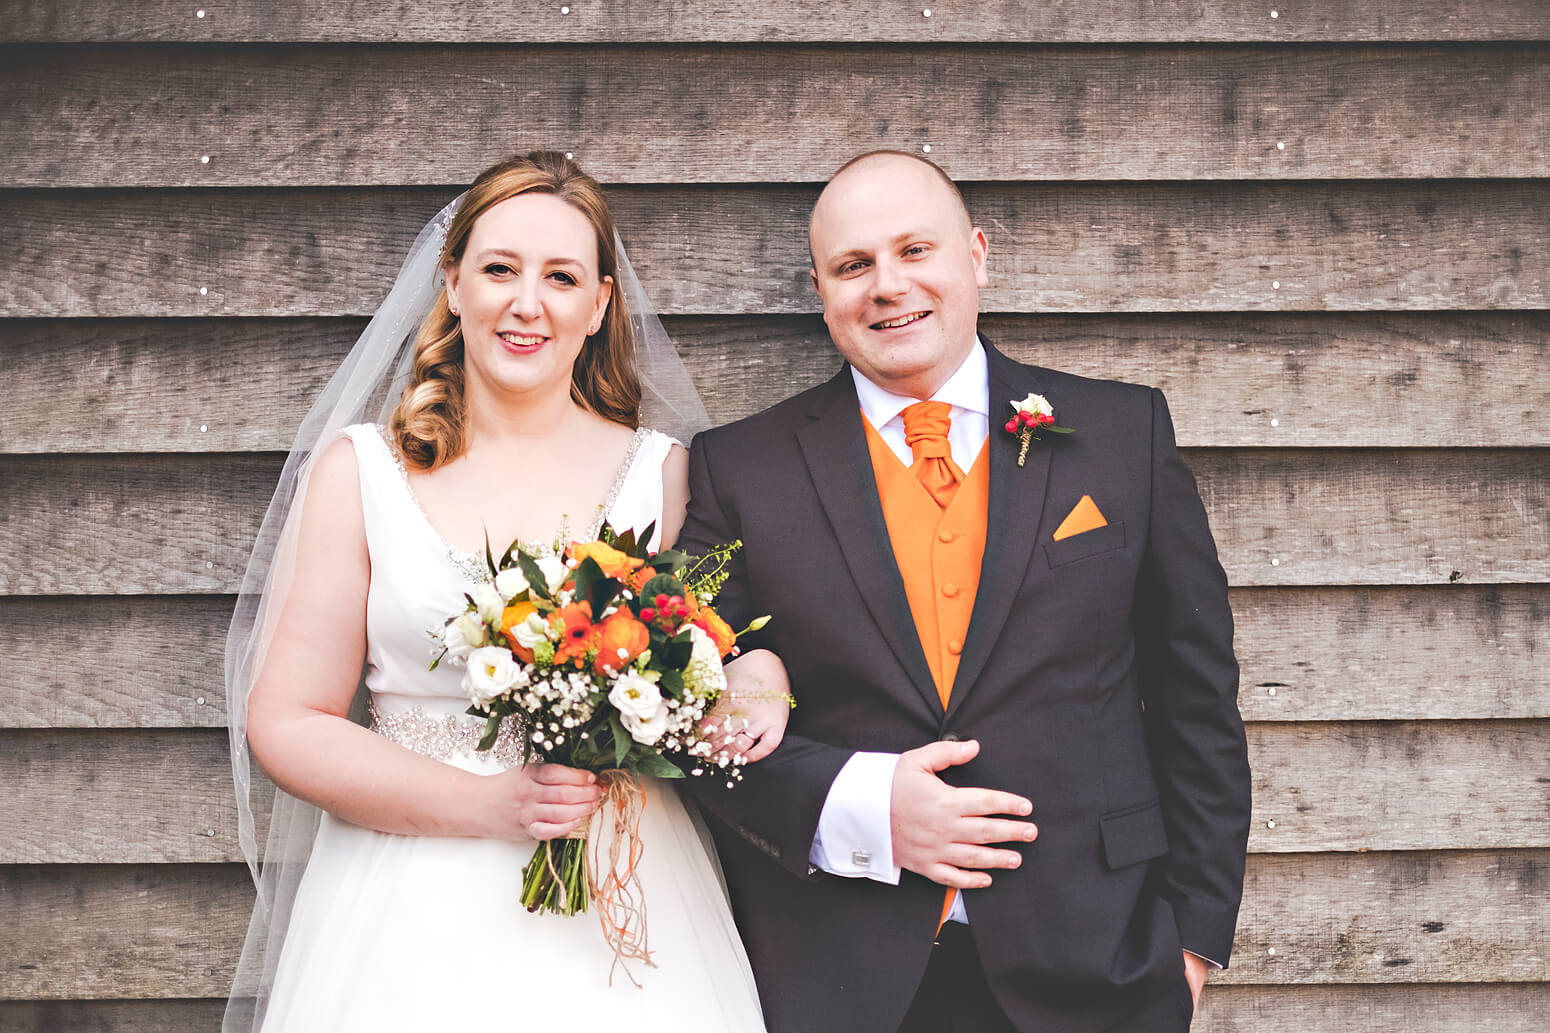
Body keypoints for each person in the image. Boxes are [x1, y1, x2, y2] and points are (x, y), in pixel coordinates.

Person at [678, 151, 1252, 1033]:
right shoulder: (737, 470)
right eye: (853, 265)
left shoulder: (1122, 433)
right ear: (820, 288)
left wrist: (1194, 945)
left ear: (975, 255)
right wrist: (859, 804)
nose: (888, 285)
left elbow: (1197, 701)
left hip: (1102, 965)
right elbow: (686, 722)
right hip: (836, 975)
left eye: (916, 250)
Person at [223, 151, 783, 1032]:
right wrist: (491, 803)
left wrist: (760, 683)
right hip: (405, 903)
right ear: (452, 284)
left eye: (561, 276)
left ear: (598, 305)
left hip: (622, 892)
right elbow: (287, 722)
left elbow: (721, 652)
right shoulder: (364, 471)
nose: (529, 303)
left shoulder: (662, 475)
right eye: (499, 269)